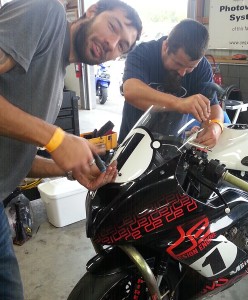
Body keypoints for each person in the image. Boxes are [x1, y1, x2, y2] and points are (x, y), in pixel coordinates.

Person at [0, 0, 142, 299]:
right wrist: (56, 139)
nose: (112, 43)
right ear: (90, 12)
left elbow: (13, 156)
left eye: (122, 46)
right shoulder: (45, 14)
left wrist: (68, 168)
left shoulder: (55, 80)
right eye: (113, 26)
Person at [118, 19, 224, 148]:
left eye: (190, 67)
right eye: (178, 64)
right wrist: (180, 103)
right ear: (166, 46)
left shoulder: (202, 67)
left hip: (172, 148)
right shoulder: (142, 53)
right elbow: (131, 91)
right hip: (133, 144)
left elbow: (212, 106)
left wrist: (216, 127)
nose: (182, 73)